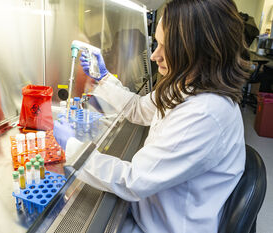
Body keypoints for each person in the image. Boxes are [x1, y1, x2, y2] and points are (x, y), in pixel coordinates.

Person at [54, 0, 249, 232]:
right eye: (156, 43)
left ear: (200, 50)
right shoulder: (187, 85)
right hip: (150, 211)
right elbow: (139, 108)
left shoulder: (206, 113)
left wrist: (73, 149)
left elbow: (133, 180)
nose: (155, 56)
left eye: (166, 47)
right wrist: (104, 78)